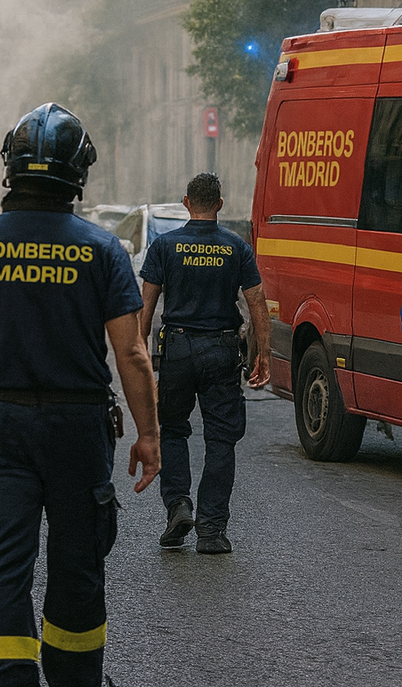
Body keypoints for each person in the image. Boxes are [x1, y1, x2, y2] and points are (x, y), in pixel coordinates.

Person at [0, 103, 160, 687]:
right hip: (79, 430)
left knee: (1, 567)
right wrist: (149, 434)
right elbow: (131, 353)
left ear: (11, 168)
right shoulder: (103, 251)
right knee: (78, 565)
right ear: (80, 173)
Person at [138, 172, 270, 555]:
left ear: (185, 202)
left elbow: (145, 309)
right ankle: (211, 530)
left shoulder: (164, 246)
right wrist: (263, 353)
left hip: (177, 348)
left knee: (174, 430)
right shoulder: (236, 248)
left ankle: (178, 505)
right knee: (221, 439)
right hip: (222, 351)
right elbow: (257, 303)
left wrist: (141, 356)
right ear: (220, 205)